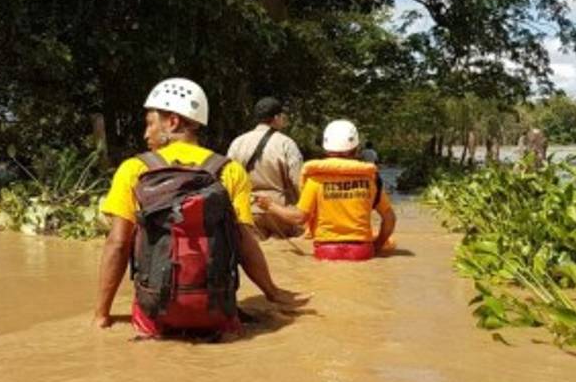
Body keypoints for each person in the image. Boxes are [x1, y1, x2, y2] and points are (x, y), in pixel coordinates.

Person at [95, 77, 307, 337]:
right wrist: (272, 292)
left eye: (150, 124)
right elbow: (243, 242)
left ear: (173, 122)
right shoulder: (230, 171)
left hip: (154, 315)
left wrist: (101, 315)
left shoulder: (134, 169)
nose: (145, 134)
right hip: (217, 314)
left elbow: (118, 243)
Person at [257, 119, 395, 261]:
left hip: (327, 252)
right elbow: (390, 219)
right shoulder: (371, 180)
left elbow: (299, 218)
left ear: (325, 148)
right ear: (356, 148)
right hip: (361, 252)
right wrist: (377, 246)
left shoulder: (315, 180)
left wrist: (270, 206)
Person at [226, 97, 304, 240]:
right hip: (280, 212)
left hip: (248, 211)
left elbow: (229, 180)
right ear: (276, 118)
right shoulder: (286, 143)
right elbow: (298, 182)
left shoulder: (238, 143)